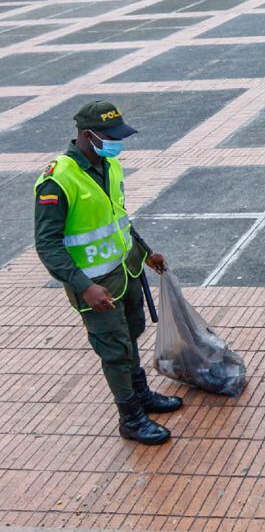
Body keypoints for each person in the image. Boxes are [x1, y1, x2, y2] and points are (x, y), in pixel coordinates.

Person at [33, 101, 180, 445]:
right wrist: (84, 287)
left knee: (130, 335)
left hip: (125, 272)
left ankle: (141, 396)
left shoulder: (109, 164)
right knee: (114, 349)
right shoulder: (57, 180)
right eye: (110, 136)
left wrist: (143, 252)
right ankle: (130, 419)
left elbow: (119, 218)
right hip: (96, 285)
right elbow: (47, 245)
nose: (117, 142)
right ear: (87, 135)